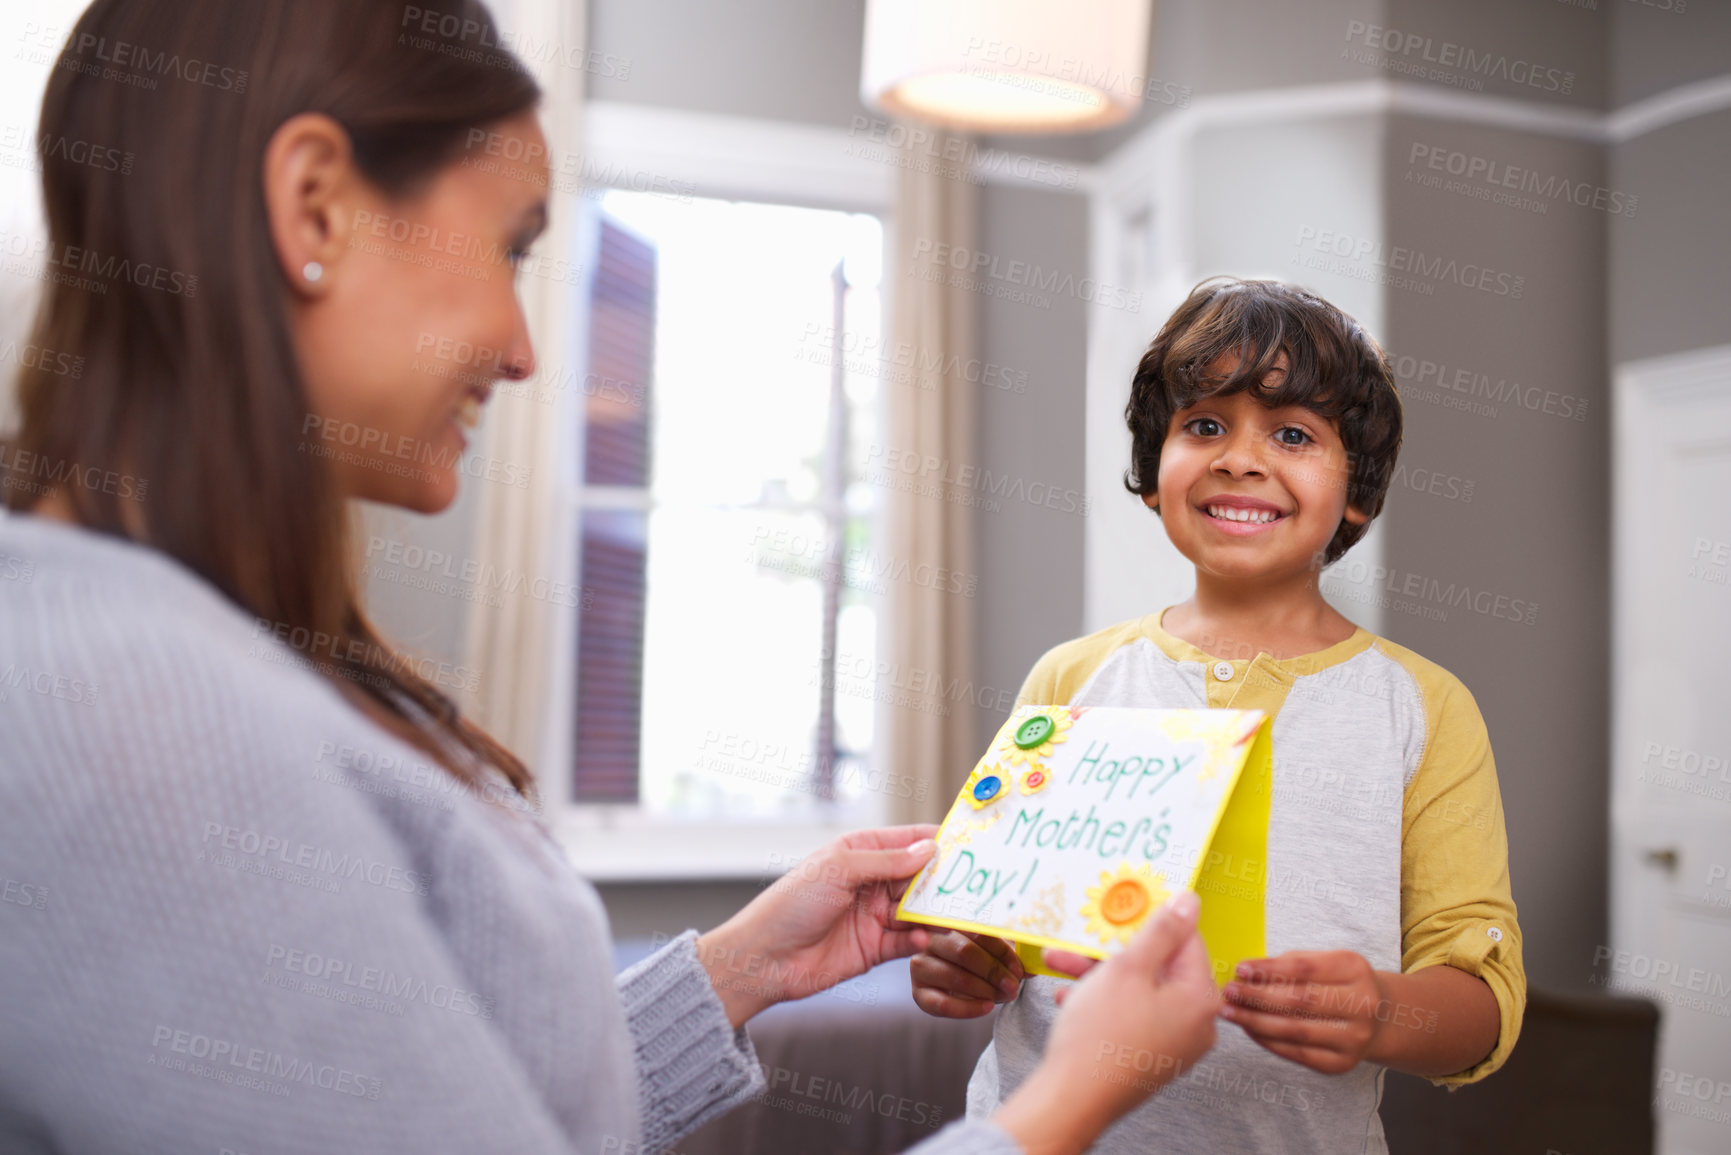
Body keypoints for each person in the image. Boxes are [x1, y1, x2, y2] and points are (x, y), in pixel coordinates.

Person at [0, 1, 1224, 1152]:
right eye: (511, 249)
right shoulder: (132, 710)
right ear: (313, 205)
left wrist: (743, 972)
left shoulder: (172, 648)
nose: (525, 350)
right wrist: (1060, 1106)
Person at [910, 278, 1527, 1153]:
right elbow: (991, 925)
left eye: (1291, 433)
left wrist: (1380, 1009)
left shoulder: (1424, 710)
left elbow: (1482, 1002)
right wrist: (963, 962)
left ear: (1357, 489)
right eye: (1203, 425)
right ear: (1153, 473)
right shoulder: (1070, 677)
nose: (1239, 457)